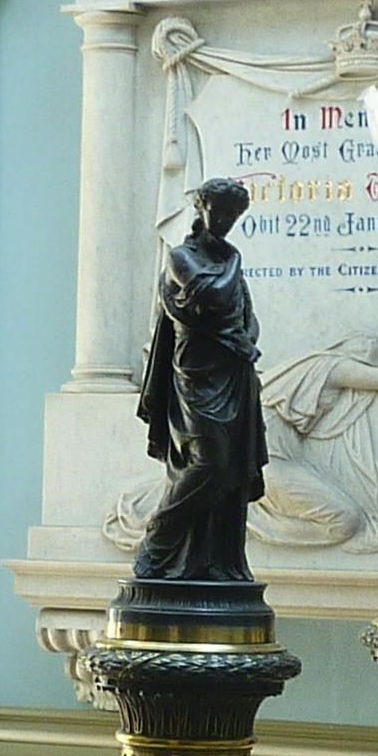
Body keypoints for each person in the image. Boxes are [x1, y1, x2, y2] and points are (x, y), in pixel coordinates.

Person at [131, 177, 267, 584]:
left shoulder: (225, 260)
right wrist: (235, 261)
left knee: (230, 475)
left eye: (233, 215)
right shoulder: (182, 257)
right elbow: (214, 296)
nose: (224, 221)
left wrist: (244, 339)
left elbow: (247, 316)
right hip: (195, 379)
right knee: (208, 463)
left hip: (233, 376)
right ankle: (158, 541)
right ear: (202, 209)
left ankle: (216, 562)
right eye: (219, 211)